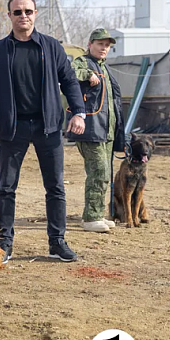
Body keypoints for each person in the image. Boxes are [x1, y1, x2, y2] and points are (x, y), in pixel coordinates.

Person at [0, 0, 85, 262]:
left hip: (48, 127)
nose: (23, 16)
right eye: (17, 12)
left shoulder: (51, 47)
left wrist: (79, 112)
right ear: (9, 16)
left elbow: (69, 81)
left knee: (55, 187)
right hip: (12, 128)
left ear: (35, 14)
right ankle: (4, 242)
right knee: (6, 188)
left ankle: (57, 242)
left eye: (28, 11)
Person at [66, 28, 126, 233]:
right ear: (90, 44)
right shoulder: (83, 62)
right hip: (90, 129)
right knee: (98, 172)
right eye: (100, 44)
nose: (104, 48)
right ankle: (91, 218)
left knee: (104, 173)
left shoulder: (105, 68)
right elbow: (69, 73)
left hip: (107, 131)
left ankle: (98, 214)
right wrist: (88, 74)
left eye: (107, 45)